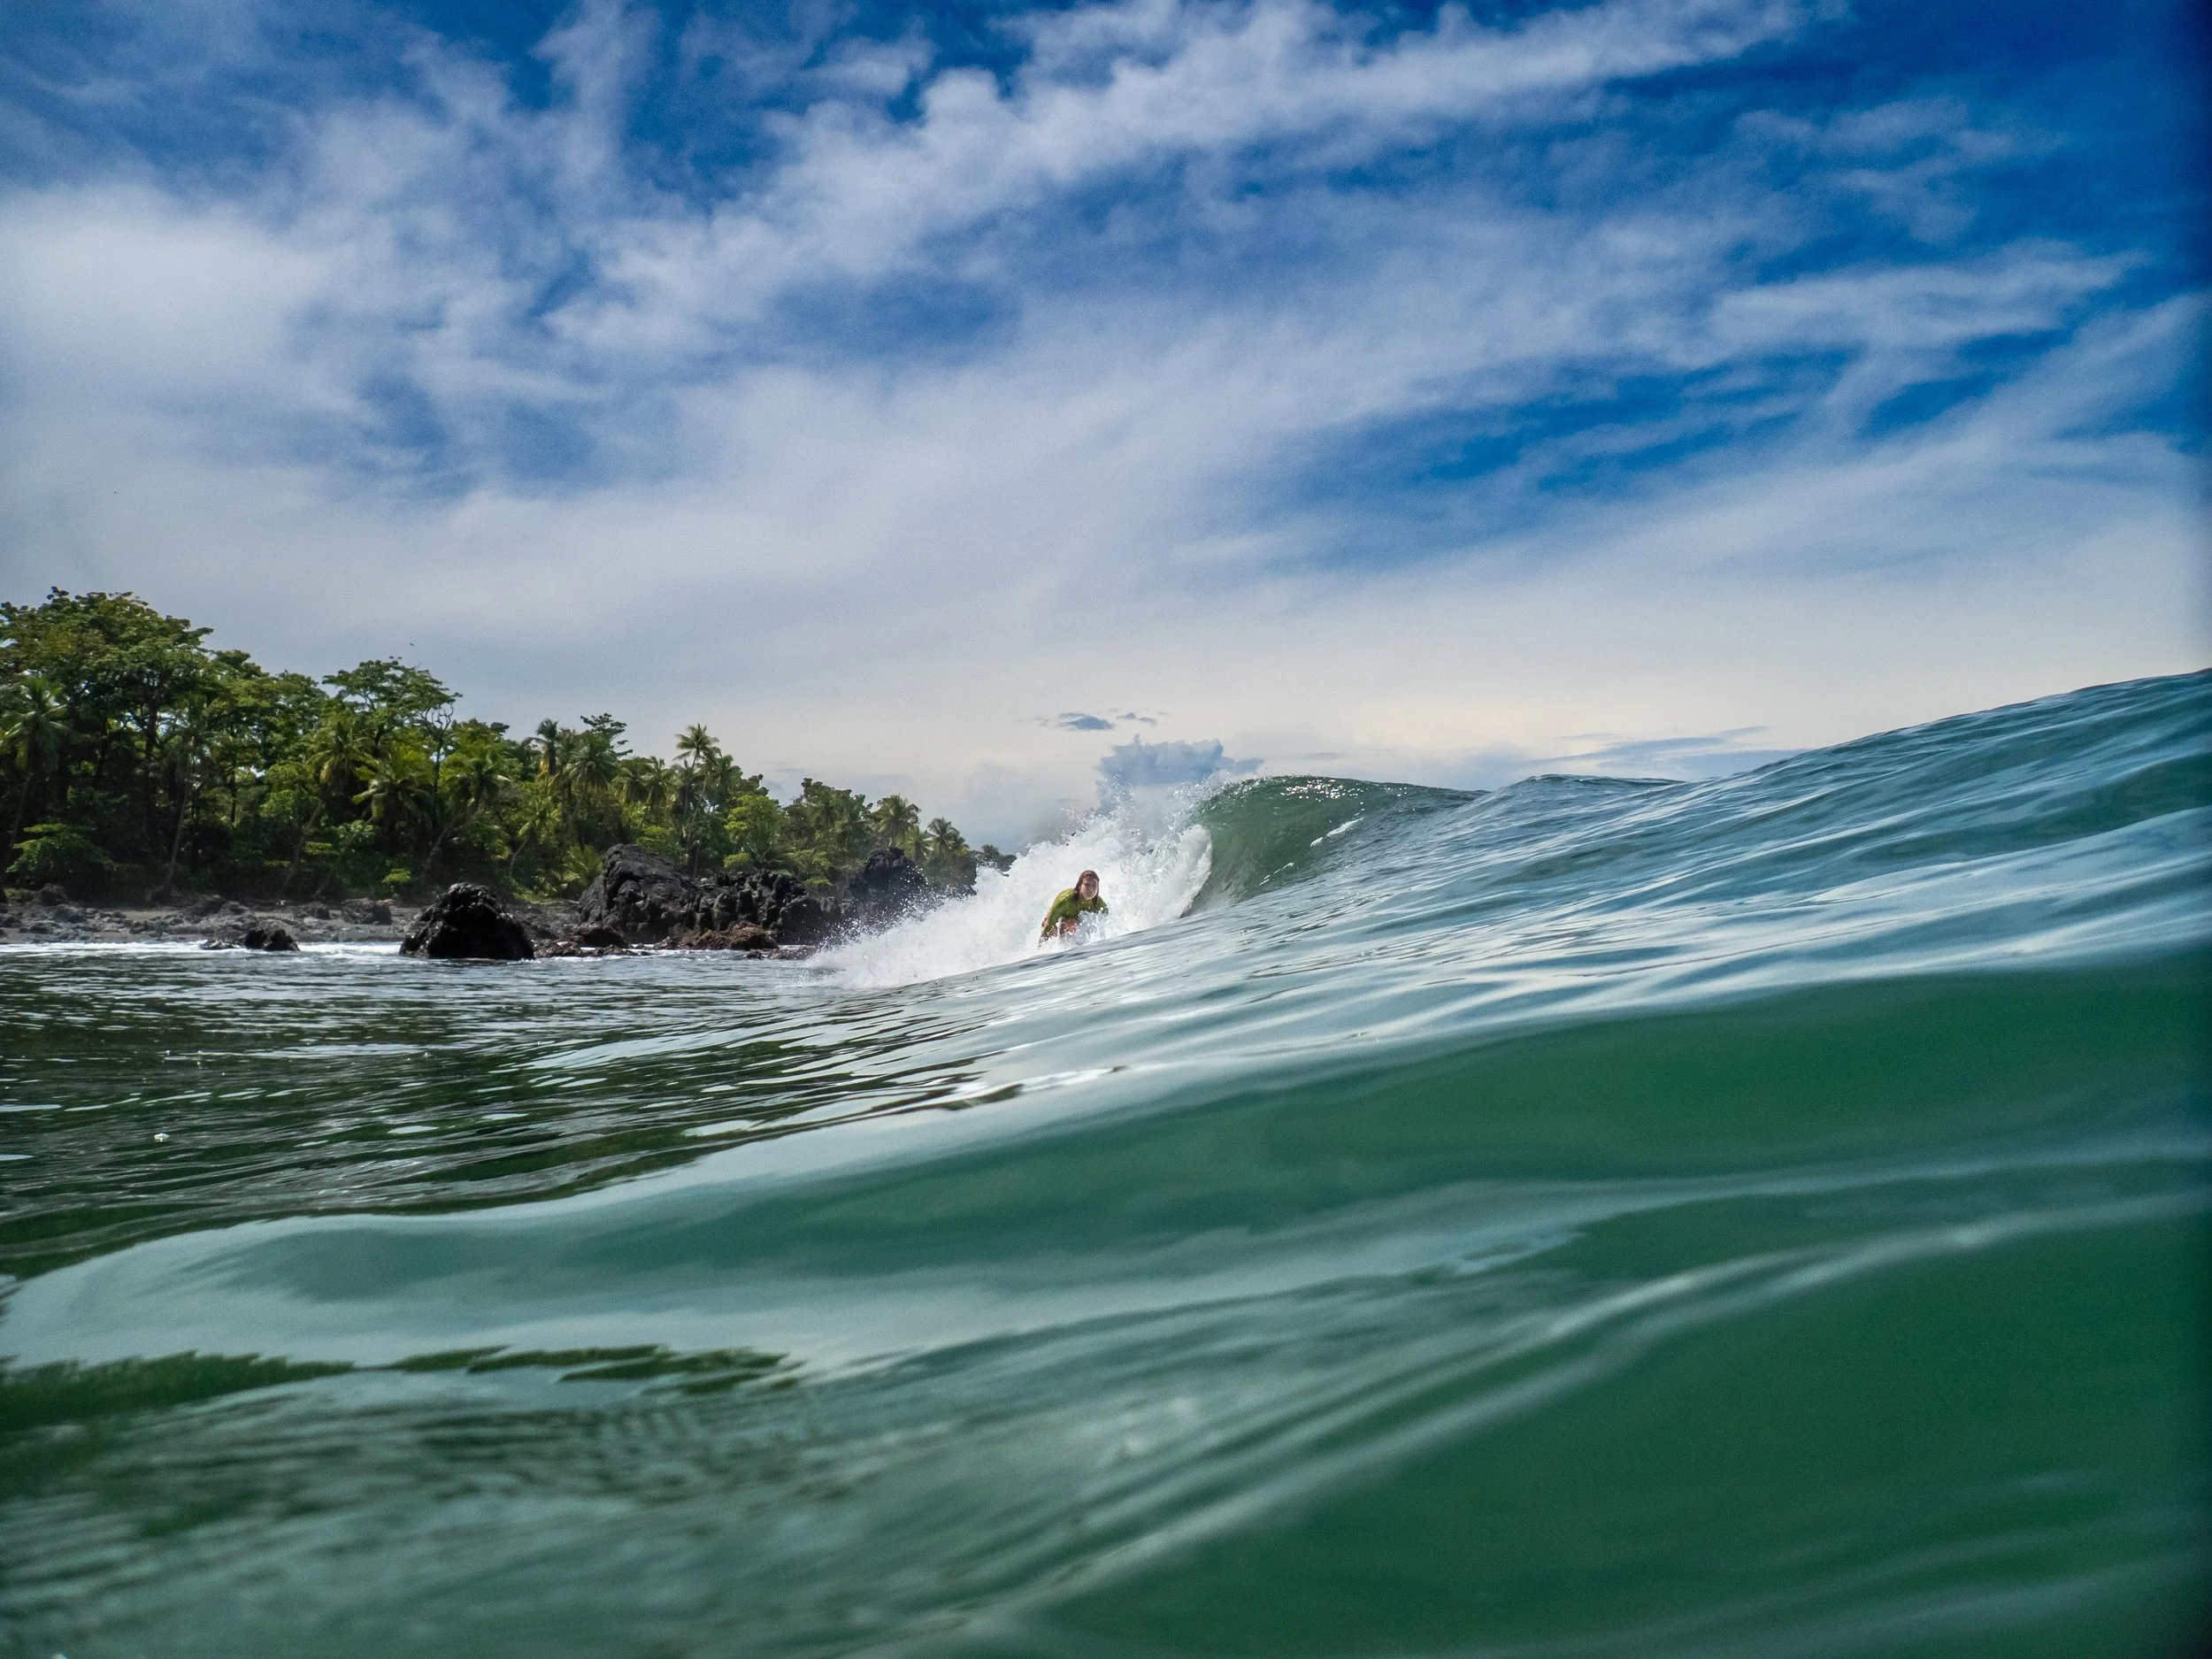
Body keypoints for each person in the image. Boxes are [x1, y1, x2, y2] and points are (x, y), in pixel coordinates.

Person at [1040, 869, 1106, 941]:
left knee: (1085, 924)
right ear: (1080, 886)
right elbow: (1048, 928)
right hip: (1062, 913)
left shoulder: (1099, 903)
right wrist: (1039, 949)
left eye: (1094, 885)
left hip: (1076, 918)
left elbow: (1107, 921)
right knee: (1055, 929)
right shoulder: (1065, 900)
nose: (1091, 889)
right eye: (1087, 885)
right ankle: (1063, 948)